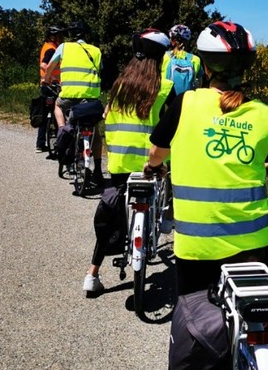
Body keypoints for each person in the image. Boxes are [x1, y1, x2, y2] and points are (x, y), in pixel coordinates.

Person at [144, 20, 268, 370]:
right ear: (246, 67)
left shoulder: (183, 104)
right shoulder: (266, 115)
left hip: (196, 248)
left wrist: (161, 166)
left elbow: (156, 154)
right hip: (258, 242)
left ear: (204, 66)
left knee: (186, 320)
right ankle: (260, 336)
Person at [82, 29, 175, 295]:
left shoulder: (118, 86)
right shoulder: (164, 88)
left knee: (112, 216)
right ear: (160, 59)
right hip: (149, 166)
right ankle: (167, 218)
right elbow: (171, 128)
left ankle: (92, 274)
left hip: (119, 165)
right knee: (168, 178)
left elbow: (109, 120)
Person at [42, 20, 103, 170]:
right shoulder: (96, 50)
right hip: (90, 98)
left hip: (69, 95)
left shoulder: (64, 47)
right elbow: (100, 70)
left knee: (57, 104)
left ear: (70, 34)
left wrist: (47, 79)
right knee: (95, 131)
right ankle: (98, 171)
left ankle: (63, 130)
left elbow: (50, 66)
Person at [35, 24, 64, 152]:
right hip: (52, 85)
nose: (61, 38)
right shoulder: (52, 49)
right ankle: (60, 141)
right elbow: (43, 64)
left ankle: (40, 144)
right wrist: (50, 76)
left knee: (45, 113)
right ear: (53, 37)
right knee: (58, 111)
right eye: (59, 36)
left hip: (45, 85)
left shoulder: (46, 46)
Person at [163, 24, 202, 95]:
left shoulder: (164, 56)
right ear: (187, 41)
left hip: (165, 99)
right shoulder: (196, 59)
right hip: (187, 100)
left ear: (172, 40)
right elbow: (200, 84)